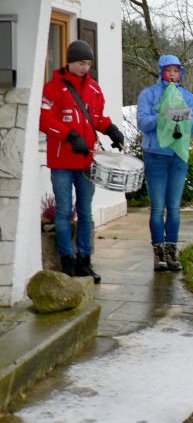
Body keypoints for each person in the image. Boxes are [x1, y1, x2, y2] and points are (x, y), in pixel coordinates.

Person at [40, 39, 126, 283]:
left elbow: (97, 117)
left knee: (86, 213)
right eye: (81, 63)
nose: (85, 68)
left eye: (88, 63)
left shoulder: (95, 88)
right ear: (70, 61)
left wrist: (111, 129)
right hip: (62, 162)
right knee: (65, 211)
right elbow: (44, 120)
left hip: (88, 160)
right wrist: (69, 136)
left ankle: (85, 261)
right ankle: (67, 261)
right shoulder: (53, 87)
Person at [137, 55, 193, 272]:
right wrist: (161, 117)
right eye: (168, 71)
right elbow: (143, 123)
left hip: (178, 156)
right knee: (157, 208)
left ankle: (172, 251)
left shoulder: (187, 96)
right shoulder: (148, 94)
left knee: (173, 208)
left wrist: (179, 118)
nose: (173, 75)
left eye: (176, 71)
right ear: (161, 72)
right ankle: (158, 252)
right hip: (155, 155)